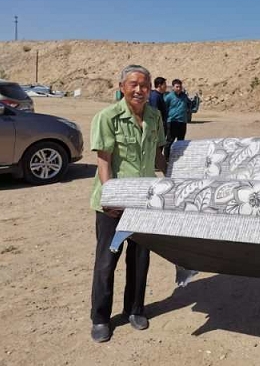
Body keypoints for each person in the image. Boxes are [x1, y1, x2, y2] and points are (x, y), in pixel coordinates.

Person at [89, 65, 166, 343]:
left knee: (139, 258)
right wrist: (111, 198)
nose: (139, 90)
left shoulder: (155, 116)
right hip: (114, 205)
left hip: (144, 202)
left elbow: (158, 156)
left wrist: (178, 180)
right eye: (133, 84)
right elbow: (104, 161)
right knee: (106, 262)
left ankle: (135, 310)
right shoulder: (107, 117)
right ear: (121, 86)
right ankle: (100, 318)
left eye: (144, 85)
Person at [163, 78, 190, 161]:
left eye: (180, 87)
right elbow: (164, 107)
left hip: (182, 122)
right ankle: (166, 158)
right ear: (173, 87)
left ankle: (178, 158)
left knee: (181, 141)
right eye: (177, 87)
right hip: (172, 122)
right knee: (169, 141)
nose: (179, 88)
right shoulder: (169, 97)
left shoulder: (184, 96)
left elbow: (189, 104)